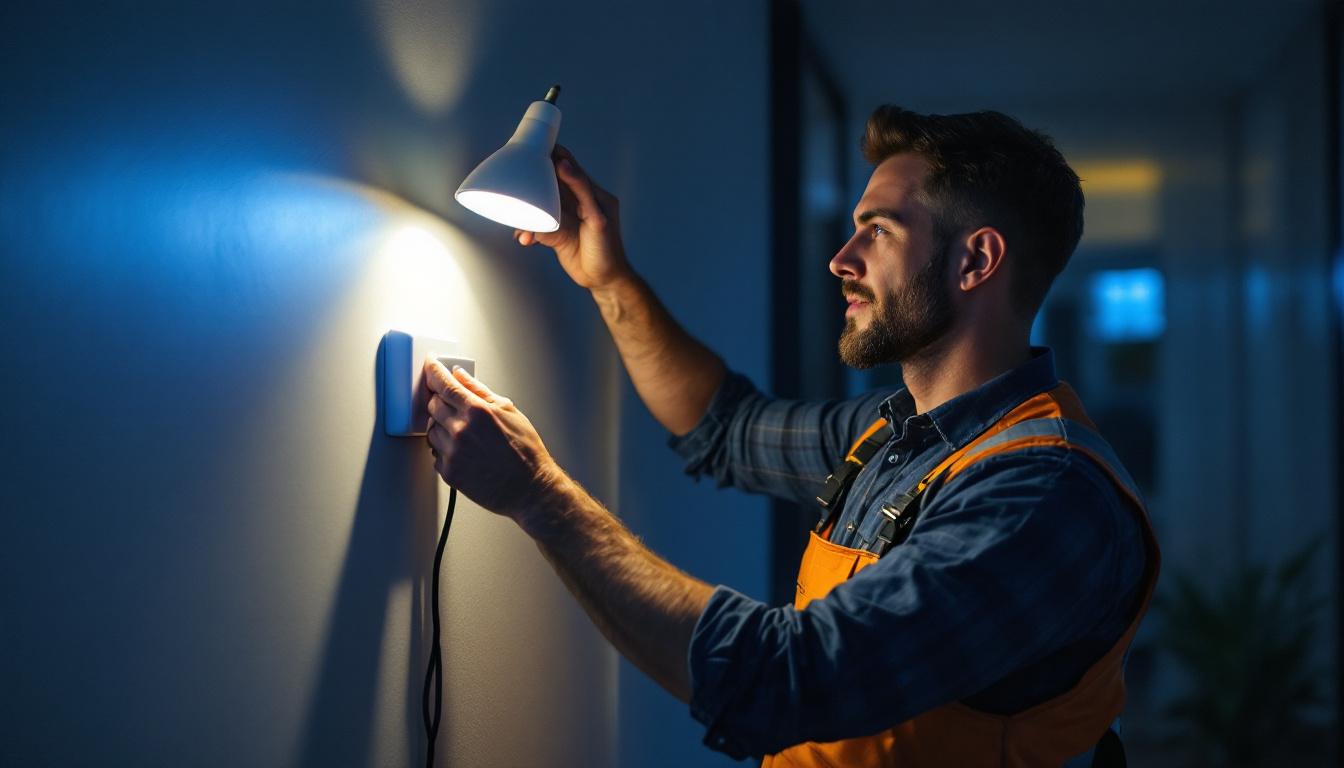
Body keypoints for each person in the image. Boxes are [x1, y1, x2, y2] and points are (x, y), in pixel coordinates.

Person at [422, 106, 1159, 767]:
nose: (841, 260)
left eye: (878, 232)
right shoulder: (893, 431)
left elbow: (788, 681)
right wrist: (609, 280)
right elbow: (725, 429)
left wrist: (539, 495)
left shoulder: (1042, 492)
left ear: (975, 261)